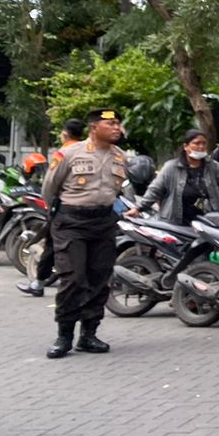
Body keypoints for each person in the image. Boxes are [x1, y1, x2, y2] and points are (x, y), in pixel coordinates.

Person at [39, 108, 135, 359]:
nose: (117, 128)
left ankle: (89, 334)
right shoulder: (69, 154)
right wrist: (55, 216)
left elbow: (118, 192)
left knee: (99, 279)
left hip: (103, 223)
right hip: (71, 223)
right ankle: (64, 335)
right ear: (94, 128)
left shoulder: (120, 156)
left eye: (118, 124)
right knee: (73, 278)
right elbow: (49, 188)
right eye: (111, 124)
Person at [17, 117, 84, 298]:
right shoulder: (90, 151)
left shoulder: (63, 153)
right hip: (90, 209)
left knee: (53, 245)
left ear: (64, 134)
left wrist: (49, 205)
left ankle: (39, 283)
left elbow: (49, 184)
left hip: (64, 207)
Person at [133, 129, 219, 225]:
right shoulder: (171, 167)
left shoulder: (212, 166)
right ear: (186, 146)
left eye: (204, 143)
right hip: (176, 221)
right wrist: (138, 208)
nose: (201, 147)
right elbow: (155, 190)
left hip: (206, 221)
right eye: (197, 143)